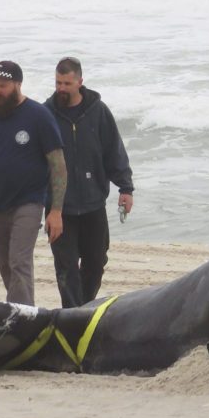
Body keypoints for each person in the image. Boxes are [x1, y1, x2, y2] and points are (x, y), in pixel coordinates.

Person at [0, 61, 67, 305]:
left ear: (18, 84)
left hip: (29, 202)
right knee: (6, 266)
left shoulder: (39, 115)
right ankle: (22, 310)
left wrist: (57, 210)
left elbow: (58, 165)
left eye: (3, 86)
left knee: (19, 260)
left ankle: (21, 322)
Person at [44, 57, 135, 307]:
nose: (61, 88)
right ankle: (73, 314)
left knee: (96, 262)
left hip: (94, 204)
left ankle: (82, 309)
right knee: (66, 267)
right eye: (57, 82)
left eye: (67, 83)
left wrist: (125, 188)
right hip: (59, 208)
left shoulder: (98, 111)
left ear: (80, 82)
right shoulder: (46, 114)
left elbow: (114, 151)